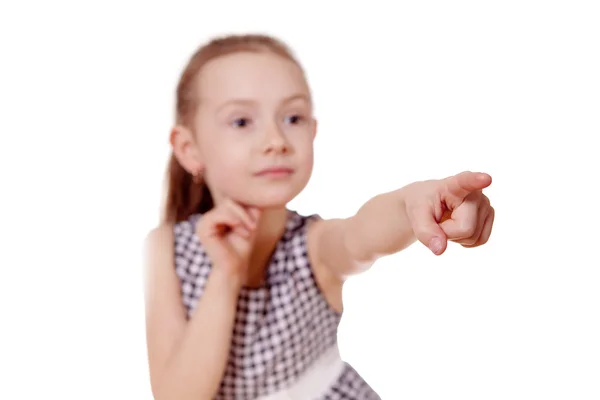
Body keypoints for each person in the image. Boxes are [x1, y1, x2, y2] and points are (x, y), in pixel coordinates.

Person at [143, 34, 495, 400]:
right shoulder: (165, 247)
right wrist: (226, 274)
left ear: (313, 130)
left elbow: (362, 233)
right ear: (189, 148)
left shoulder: (312, 247)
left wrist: (414, 202)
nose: (275, 139)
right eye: (242, 122)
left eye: (292, 117)